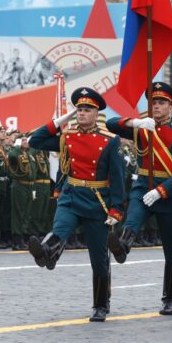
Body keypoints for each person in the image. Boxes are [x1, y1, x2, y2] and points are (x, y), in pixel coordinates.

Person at [28, 87, 125, 322]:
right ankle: (47, 253)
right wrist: (63, 118)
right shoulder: (67, 136)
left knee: (98, 257)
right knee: (60, 229)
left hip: (97, 200)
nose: (82, 113)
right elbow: (36, 140)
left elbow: (118, 176)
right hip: (71, 195)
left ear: (96, 113)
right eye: (79, 109)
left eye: (86, 110)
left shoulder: (109, 141)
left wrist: (116, 209)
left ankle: (101, 304)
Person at [105, 82, 172, 315]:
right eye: (153, 102)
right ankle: (123, 246)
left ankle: (168, 298)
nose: (156, 106)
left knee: (170, 250)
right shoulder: (142, 127)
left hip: (168, 193)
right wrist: (135, 122)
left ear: (170, 106)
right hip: (143, 185)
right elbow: (110, 124)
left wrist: (162, 191)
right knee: (132, 218)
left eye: (161, 102)